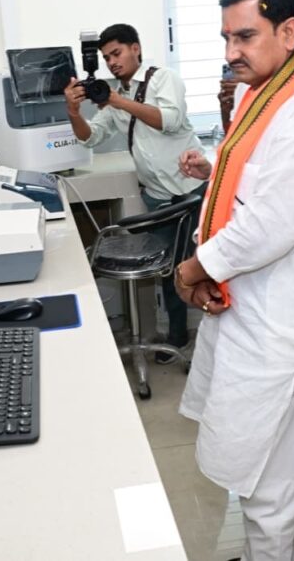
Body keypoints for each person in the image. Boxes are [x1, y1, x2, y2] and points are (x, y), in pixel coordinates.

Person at [174, 0, 294, 561]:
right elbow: (232, 191)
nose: (231, 53)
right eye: (226, 38)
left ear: (290, 31)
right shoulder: (258, 97)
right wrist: (209, 264)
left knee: (272, 499)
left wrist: (194, 268)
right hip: (244, 314)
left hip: (279, 330)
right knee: (269, 495)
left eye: (245, 37)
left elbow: (269, 224)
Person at [64, 24, 205, 363]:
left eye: (117, 53)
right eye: (106, 58)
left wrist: (116, 100)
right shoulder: (115, 96)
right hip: (157, 197)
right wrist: (73, 112)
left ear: (136, 49)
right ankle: (177, 337)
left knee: (196, 268)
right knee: (170, 269)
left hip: (191, 192)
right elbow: (90, 137)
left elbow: (169, 121)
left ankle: (204, 339)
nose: (112, 62)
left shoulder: (162, 79)